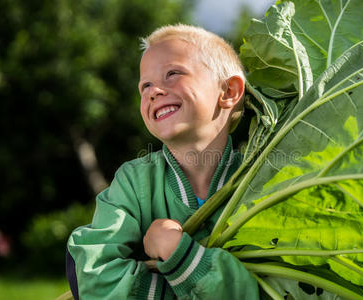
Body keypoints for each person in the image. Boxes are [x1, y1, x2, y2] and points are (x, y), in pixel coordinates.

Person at [66, 24, 260, 299]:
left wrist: (175, 251)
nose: (153, 90)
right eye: (144, 85)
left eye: (173, 74)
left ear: (229, 91)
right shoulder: (133, 182)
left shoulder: (259, 183)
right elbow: (94, 271)